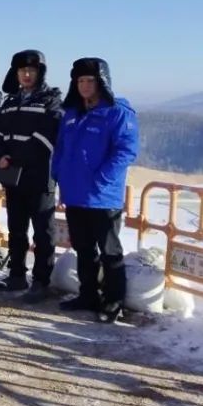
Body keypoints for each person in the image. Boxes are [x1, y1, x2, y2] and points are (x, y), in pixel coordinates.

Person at [53, 58, 139, 323]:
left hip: (103, 197)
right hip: (75, 194)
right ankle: (87, 295)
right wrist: (58, 177)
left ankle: (114, 301)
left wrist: (102, 179)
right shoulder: (71, 114)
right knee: (83, 249)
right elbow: (61, 149)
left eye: (90, 80)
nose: (85, 85)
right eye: (80, 80)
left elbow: (126, 151)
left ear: (102, 82)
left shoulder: (117, 112)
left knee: (109, 251)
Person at [0, 50, 63, 301]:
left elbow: (46, 137)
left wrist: (15, 158)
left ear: (40, 72)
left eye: (31, 70)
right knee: (17, 229)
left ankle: (41, 282)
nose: (27, 75)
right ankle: (17, 276)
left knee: (43, 232)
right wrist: (0, 154)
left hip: (39, 175)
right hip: (13, 175)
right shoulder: (10, 101)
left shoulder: (50, 100)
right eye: (22, 71)